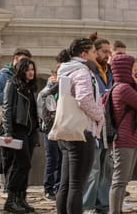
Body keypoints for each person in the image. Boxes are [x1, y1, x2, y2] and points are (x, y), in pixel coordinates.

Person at [55, 37, 106, 214]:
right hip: (82, 131)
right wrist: (100, 115)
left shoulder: (65, 70)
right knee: (77, 185)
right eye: (93, 51)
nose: (96, 54)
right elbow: (84, 99)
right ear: (84, 54)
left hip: (67, 130)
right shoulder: (82, 71)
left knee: (66, 183)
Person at [108, 54, 137, 214]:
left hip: (130, 139)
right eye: (134, 68)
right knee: (119, 181)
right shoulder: (123, 88)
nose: (136, 71)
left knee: (123, 181)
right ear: (126, 70)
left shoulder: (122, 87)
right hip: (125, 140)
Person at [0, 48, 31, 191]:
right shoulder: (3, 77)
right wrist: (13, 99)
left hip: (20, 124)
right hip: (7, 124)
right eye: (23, 61)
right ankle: (9, 189)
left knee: (20, 160)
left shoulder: (24, 79)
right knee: (9, 158)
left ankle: (16, 190)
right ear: (16, 59)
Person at [1, 58, 40, 213]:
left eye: (32, 69)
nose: (31, 72)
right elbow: (7, 108)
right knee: (21, 165)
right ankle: (10, 199)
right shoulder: (12, 84)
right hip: (18, 130)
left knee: (25, 166)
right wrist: (8, 131)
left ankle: (21, 199)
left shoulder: (30, 87)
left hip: (30, 131)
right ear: (21, 70)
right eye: (27, 69)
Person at [84, 36, 114, 214]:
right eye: (104, 51)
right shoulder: (89, 72)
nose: (108, 55)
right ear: (95, 52)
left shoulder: (109, 71)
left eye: (109, 52)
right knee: (93, 168)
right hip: (93, 125)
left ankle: (103, 204)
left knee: (106, 167)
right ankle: (87, 205)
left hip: (108, 126)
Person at [37, 63, 62, 200]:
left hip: (63, 129)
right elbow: (41, 111)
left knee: (62, 159)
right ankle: (48, 188)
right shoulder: (46, 92)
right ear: (53, 75)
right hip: (51, 129)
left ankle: (59, 186)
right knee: (52, 159)